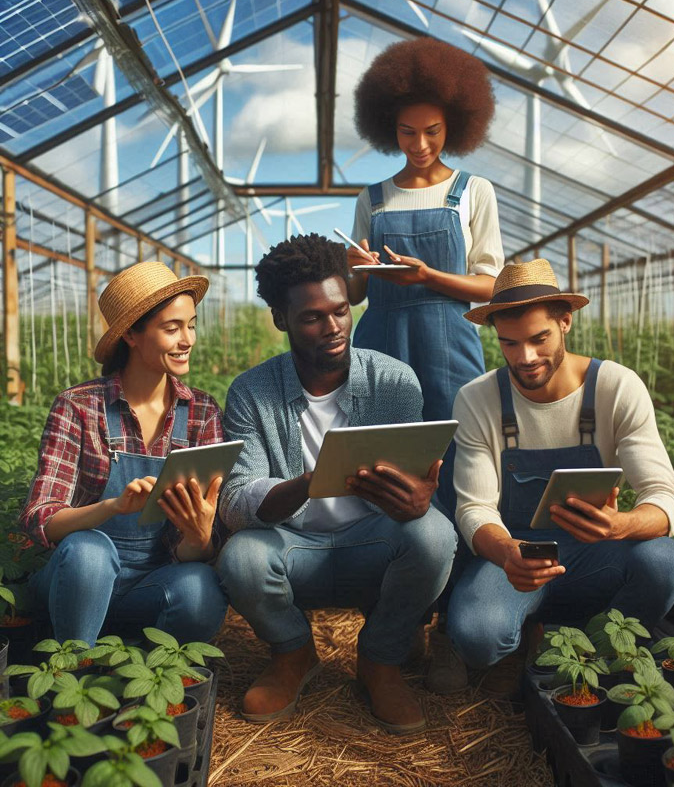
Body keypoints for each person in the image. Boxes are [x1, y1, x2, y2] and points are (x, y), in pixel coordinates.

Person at [216, 234, 457, 734]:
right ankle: (294, 654)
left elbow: (412, 492)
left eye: (341, 310)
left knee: (435, 534)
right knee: (241, 555)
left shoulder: (394, 380)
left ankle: (380, 660)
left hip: (371, 545)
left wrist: (414, 503)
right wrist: (309, 482)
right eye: (312, 317)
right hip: (295, 548)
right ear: (281, 320)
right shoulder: (251, 392)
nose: (333, 327)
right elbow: (237, 503)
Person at [437, 259, 674, 695]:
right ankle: (523, 633)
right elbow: (474, 507)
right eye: (510, 344)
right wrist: (507, 553)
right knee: (478, 637)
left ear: (565, 322)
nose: (525, 358)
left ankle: (584, 653)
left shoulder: (615, 388)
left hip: (597, 553)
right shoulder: (478, 399)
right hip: (518, 555)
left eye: (539, 339)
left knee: (663, 562)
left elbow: (664, 496)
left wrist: (624, 524)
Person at [20, 261, 228, 646]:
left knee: (200, 587)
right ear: (132, 334)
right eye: (172, 328)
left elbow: (197, 546)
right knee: (90, 552)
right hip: (75, 579)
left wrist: (198, 538)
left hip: (153, 583)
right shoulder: (79, 406)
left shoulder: (202, 414)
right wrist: (113, 507)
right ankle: (74, 673)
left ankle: (146, 679)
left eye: (192, 324)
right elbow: (41, 518)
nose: (188, 340)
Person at [347, 37, 503, 516]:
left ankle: (460, 565)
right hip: (379, 342)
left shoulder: (473, 191)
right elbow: (354, 295)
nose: (420, 145)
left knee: (457, 451)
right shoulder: (371, 199)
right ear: (387, 129)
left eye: (432, 131)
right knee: (382, 458)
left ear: (453, 125)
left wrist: (429, 277)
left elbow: (492, 286)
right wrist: (355, 268)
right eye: (406, 132)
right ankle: (387, 566)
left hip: (450, 346)